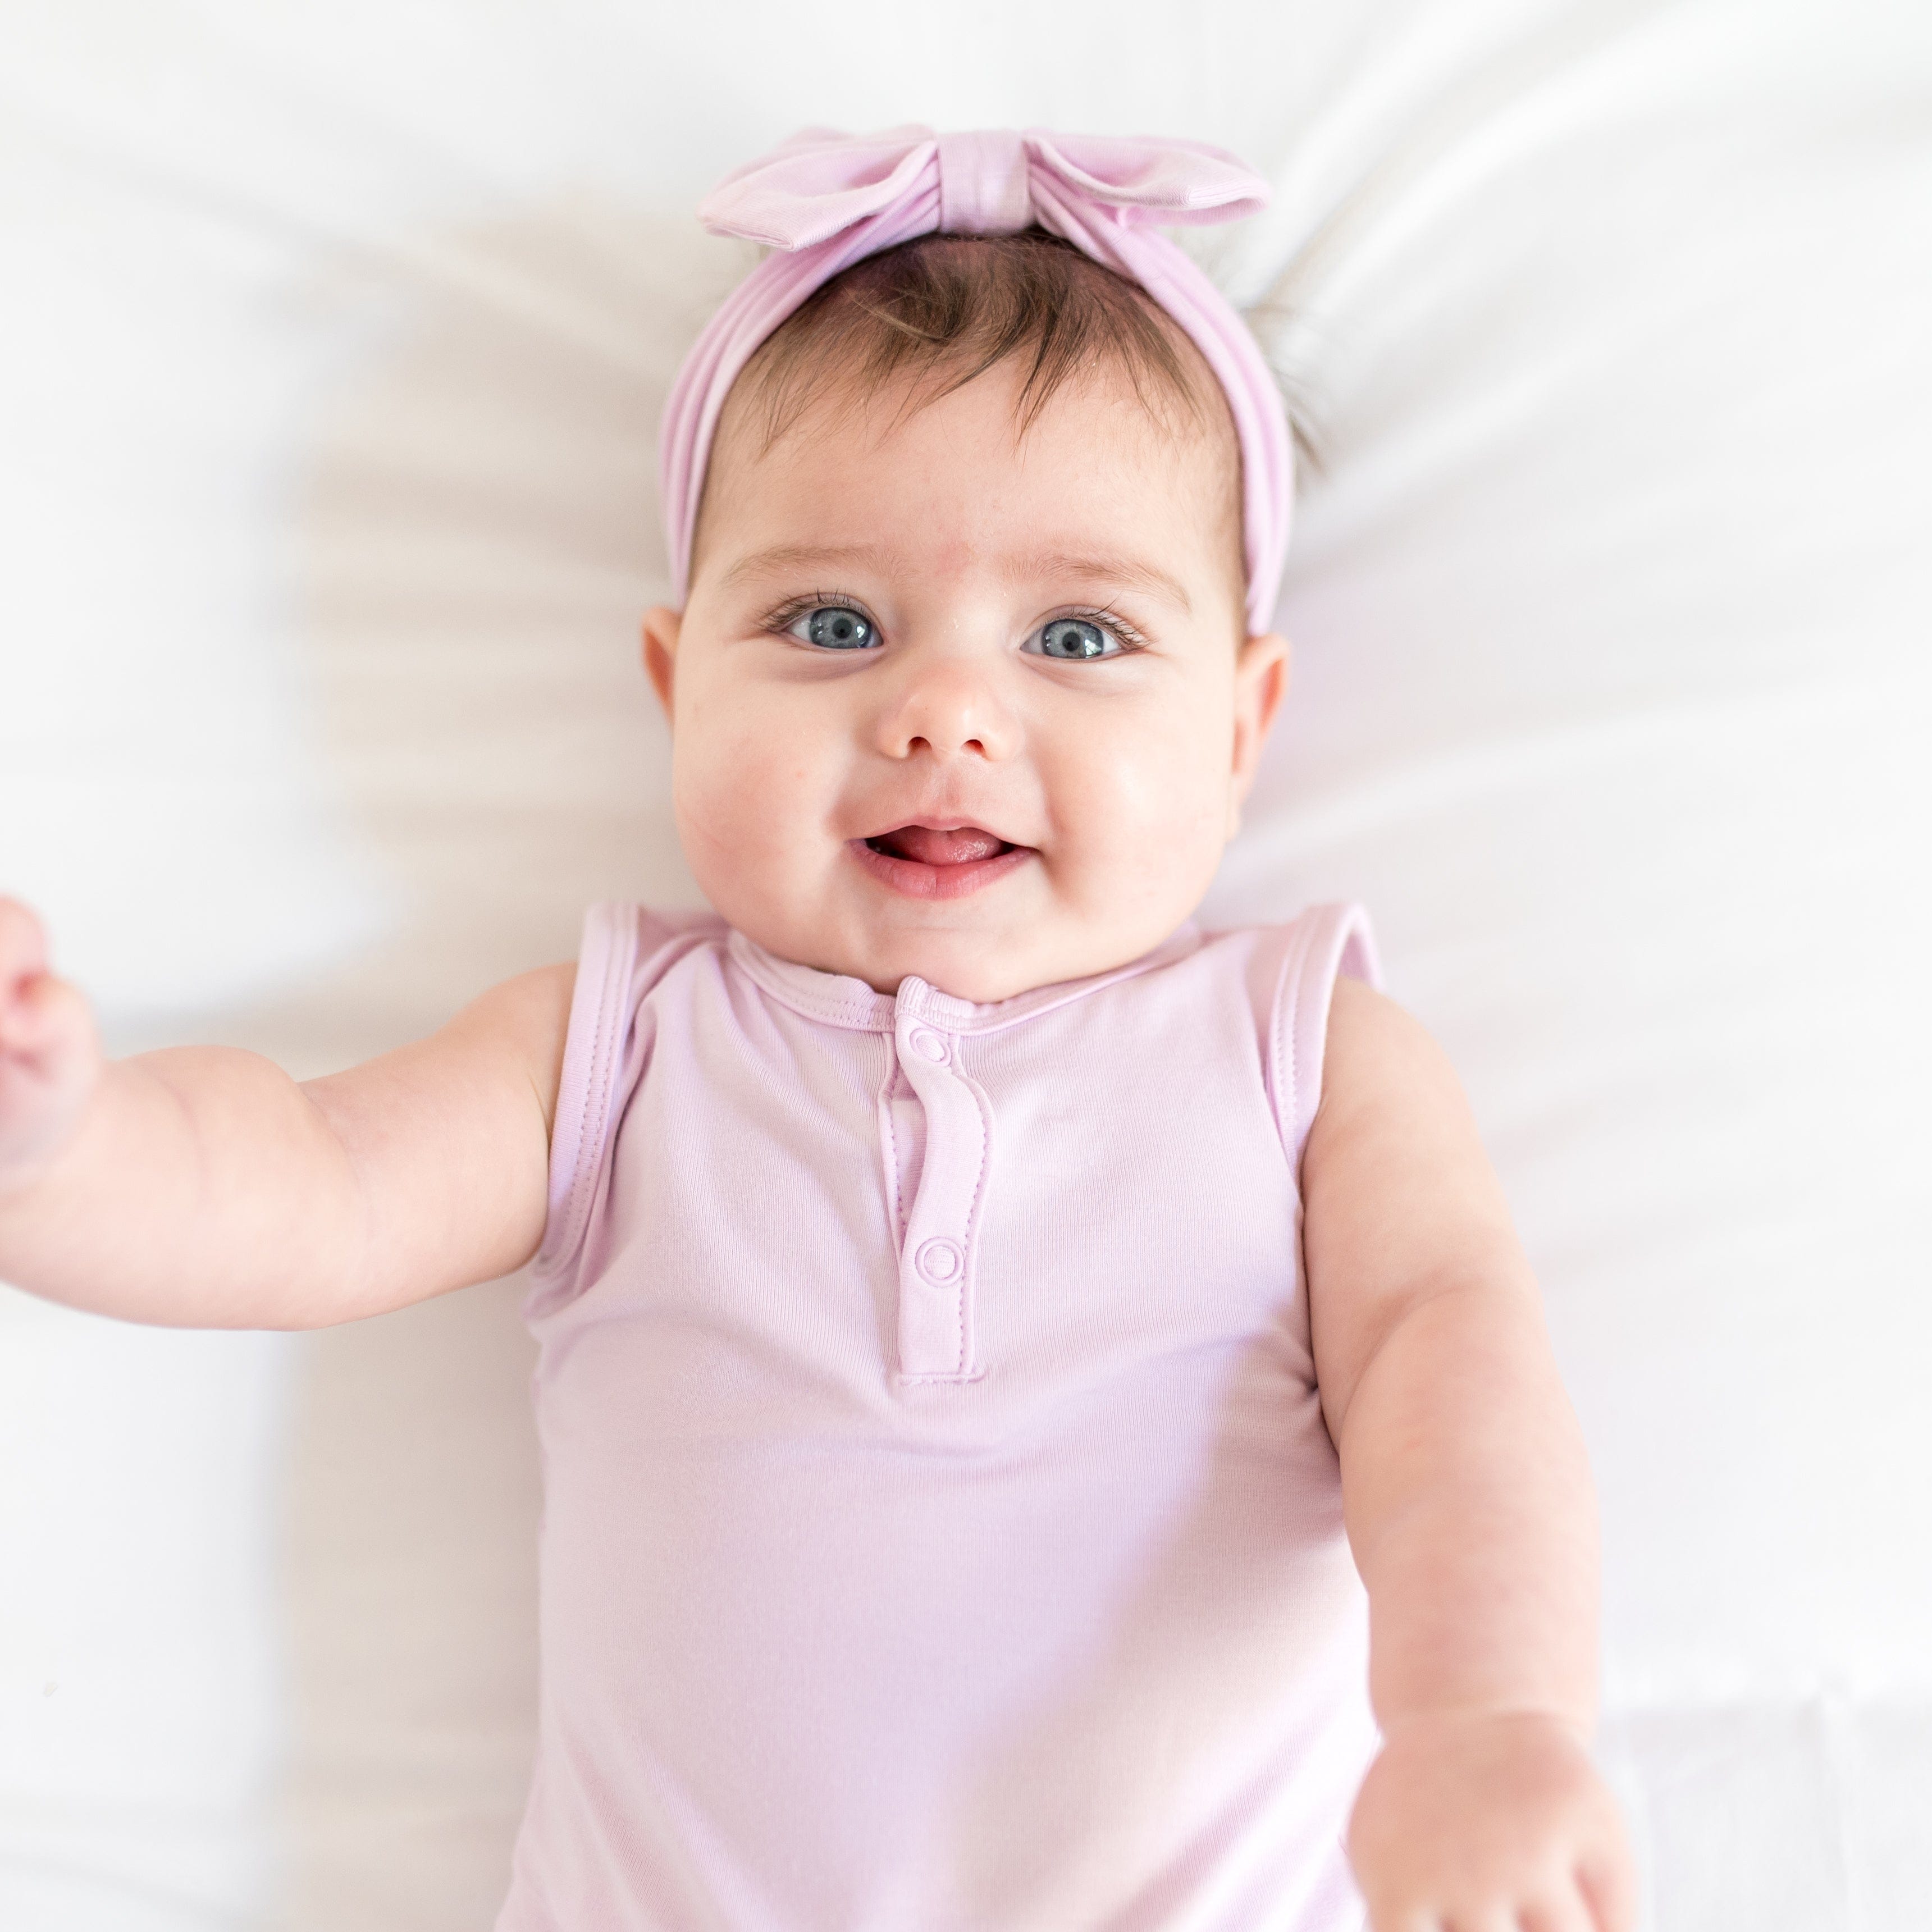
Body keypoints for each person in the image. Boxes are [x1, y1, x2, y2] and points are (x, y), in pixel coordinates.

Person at [0, 127, 1637, 1930]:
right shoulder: (619, 1051)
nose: (943, 711)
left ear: (1242, 728)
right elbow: (308, 1182)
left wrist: (1484, 1716)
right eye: (832, 622)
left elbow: (1448, 1370)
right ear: (674, 683)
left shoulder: (1306, 1057)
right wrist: (64, 1144)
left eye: (1078, 637)